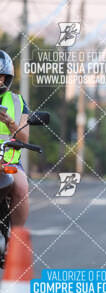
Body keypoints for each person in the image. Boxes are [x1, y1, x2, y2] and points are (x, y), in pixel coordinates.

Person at [0, 50, 31, 227]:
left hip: (8, 163)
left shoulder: (17, 101)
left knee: (21, 187)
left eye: (1, 76)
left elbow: (24, 138)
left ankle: (16, 241)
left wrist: (10, 122)